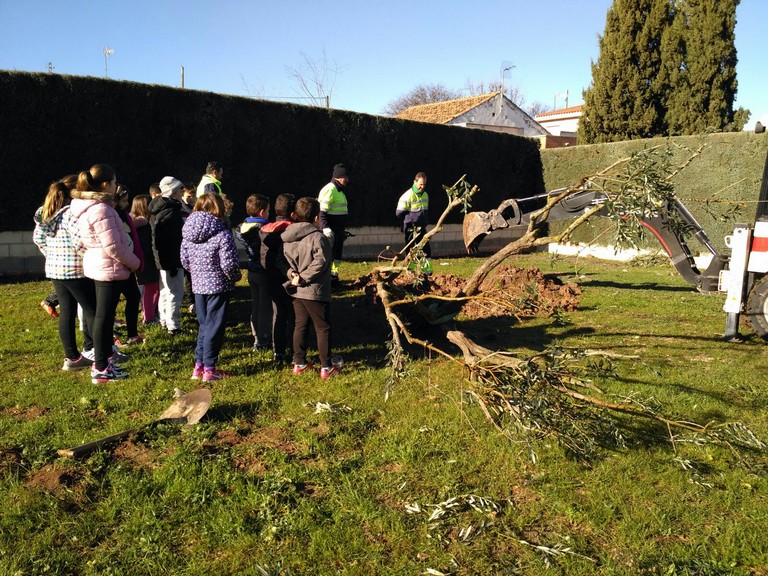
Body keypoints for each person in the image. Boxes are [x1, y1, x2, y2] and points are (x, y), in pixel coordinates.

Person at [70, 164, 140, 383]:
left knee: (104, 318)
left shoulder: (88, 207)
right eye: (115, 182)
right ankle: (100, 368)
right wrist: (134, 263)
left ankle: (104, 365)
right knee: (104, 318)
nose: (116, 186)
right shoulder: (102, 209)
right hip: (108, 268)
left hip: (101, 265)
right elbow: (113, 246)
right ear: (106, 184)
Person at [33, 177, 97, 371]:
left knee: (67, 313)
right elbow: (80, 241)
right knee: (92, 310)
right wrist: (92, 256)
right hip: (77, 270)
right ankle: (102, 352)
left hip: (55, 269)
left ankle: (72, 358)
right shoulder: (71, 214)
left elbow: (38, 238)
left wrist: (52, 255)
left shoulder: (46, 214)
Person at [181, 193, 242, 382]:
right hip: (218, 286)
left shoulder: (188, 231)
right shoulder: (222, 233)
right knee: (214, 327)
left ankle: (198, 366)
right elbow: (229, 264)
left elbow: (184, 259)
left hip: (198, 286)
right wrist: (235, 277)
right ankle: (209, 368)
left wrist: (197, 272)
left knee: (204, 325)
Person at [281, 196, 340, 380]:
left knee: (300, 325)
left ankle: (299, 363)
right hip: (314, 290)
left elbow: (283, 260)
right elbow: (321, 263)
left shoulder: (288, 236)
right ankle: (327, 367)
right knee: (323, 328)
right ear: (316, 217)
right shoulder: (318, 238)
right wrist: (303, 278)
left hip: (297, 290)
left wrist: (292, 275)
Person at [259, 193, 296, 364]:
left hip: (271, 277)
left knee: (278, 314)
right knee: (293, 314)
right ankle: (293, 348)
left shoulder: (265, 229)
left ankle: (278, 351)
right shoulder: (292, 230)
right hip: (290, 277)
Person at [235, 194, 272, 351]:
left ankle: (257, 336)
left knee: (256, 305)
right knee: (265, 306)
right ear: (263, 212)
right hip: (264, 271)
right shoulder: (264, 230)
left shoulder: (243, 227)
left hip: (252, 270)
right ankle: (264, 339)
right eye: (268, 211)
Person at [149, 176, 186, 334]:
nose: (183, 192)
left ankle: (164, 319)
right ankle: (173, 325)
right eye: (180, 189)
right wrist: (173, 263)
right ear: (172, 192)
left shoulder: (158, 208)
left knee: (165, 290)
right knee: (174, 292)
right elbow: (172, 240)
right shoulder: (171, 212)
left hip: (161, 259)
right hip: (171, 259)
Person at [113, 185, 144, 346]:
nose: (127, 203)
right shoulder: (114, 215)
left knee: (133, 296)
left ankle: (132, 333)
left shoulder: (123, 214)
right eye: (124, 201)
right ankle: (112, 337)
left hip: (128, 264)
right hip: (118, 264)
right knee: (111, 302)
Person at [317, 163, 350, 285]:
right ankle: (328, 280)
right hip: (331, 231)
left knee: (337, 255)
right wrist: (325, 227)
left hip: (337, 230)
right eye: (345, 177)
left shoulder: (339, 191)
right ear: (339, 177)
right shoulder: (330, 190)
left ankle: (334, 278)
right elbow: (322, 212)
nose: (347, 180)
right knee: (329, 255)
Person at [130, 194, 160, 324]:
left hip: (142, 261)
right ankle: (148, 317)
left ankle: (149, 313)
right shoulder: (143, 226)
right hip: (147, 261)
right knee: (151, 289)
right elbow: (147, 246)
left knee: (151, 289)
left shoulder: (135, 224)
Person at [395, 171, 432, 274]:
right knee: (410, 250)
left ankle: (427, 271)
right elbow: (399, 213)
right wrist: (410, 219)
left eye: (424, 184)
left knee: (426, 248)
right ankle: (410, 271)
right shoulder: (407, 196)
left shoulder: (425, 195)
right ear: (415, 182)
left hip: (422, 227)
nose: (422, 186)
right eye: (420, 184)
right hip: (410, 227)